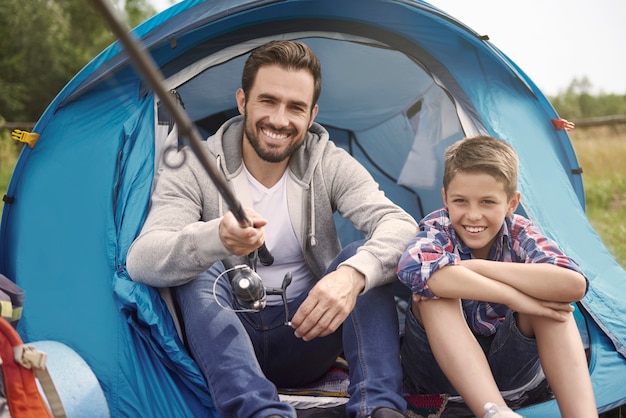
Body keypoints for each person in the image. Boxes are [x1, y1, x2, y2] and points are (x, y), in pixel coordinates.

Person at [126, 40, 418, 418]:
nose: (280, 120)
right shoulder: (192, 166)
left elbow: (402, 227)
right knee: (200, 265)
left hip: (309, 332)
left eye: (295, 107)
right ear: (243, 101)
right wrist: (214, 238)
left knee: (361, 261)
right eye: (268, 101)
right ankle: (260, 412)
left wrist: (351, 276)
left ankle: (379, 408)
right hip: (225, 339)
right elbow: (142, 258)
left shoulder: (329, 163)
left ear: (312, 115)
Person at [397, 135, 597, 418]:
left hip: (510, 370)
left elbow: (573, 284)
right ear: (445, 198)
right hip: (435, 376)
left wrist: (475, 268)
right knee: (434, 294)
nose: (473, 215)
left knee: (551, 302)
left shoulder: (519, 232)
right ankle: (496, 413)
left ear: (511, 203)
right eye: (460, 201)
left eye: (488, 202)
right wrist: (516, 297)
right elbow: (415, 271)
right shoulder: (438, 226)